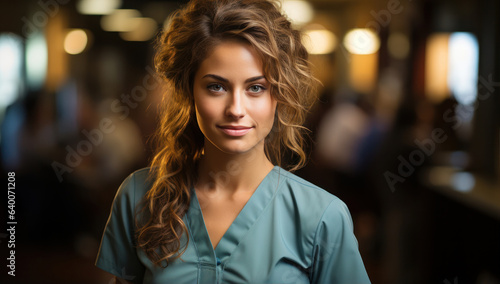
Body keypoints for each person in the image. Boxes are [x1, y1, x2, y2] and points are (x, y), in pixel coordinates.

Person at [95, 0, 371, 283]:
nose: (236, 109)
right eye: (216, 86)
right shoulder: (139, 196)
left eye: (255, 88)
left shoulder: (322, 216)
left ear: (279, 95)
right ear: (189, 93)